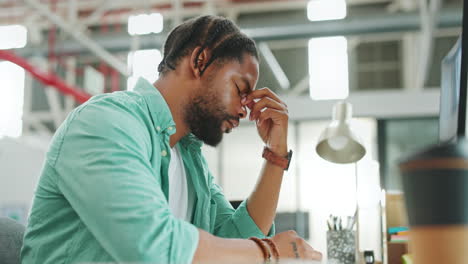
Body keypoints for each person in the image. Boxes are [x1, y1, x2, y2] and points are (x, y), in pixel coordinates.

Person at [21, 15, 322, 263]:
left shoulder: (189, 159)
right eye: (240, 88)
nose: (245, 109)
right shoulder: (108, 122)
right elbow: (152, 245)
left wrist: (276, 154)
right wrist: (269, 252)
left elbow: (234, 241)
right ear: (200, 60)